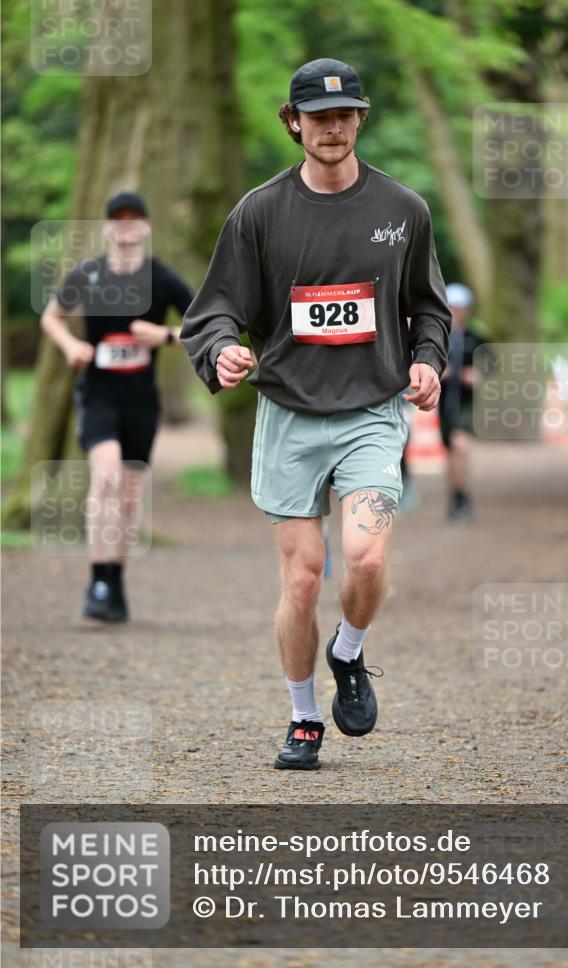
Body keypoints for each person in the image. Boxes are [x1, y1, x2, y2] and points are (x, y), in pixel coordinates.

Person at [181, 58, 451, 771]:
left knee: (366, 556)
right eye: (319, 117)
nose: (333, 128)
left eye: (345, 116)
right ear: (293, 123)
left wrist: (428, 359)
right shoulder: (259, 213)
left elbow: (429, 308)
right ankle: (303, 718)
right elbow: (213, 311)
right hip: (289, 414)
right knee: (302, 578)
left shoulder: (403, 210)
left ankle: (349, 651)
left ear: (359, 120)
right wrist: (221, 351)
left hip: (370, 411)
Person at [40, 192, 193, 622]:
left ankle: (116, 582)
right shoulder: (89, 274)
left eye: (134, 218)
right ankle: (97, 581)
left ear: (146, 226)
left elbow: (204, 326)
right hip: (99, 394)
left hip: (141, 401)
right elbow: (51, 316)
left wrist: (164, 336)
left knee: (128, 495)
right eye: (117, 218)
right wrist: (71, 345)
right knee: (105, 476)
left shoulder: (162, 278)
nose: (126, 225)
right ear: (107, 228)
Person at [437, 283, 488, 521]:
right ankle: (456, 498)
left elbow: (493, 362)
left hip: (466, 403)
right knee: (450, 453)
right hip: (443, 403)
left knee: (461, 445)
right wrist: (436, 372)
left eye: (460, 308)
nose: (456, 313)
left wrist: (479, 374)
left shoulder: (475, 337)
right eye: (452, 308)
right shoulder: (438, 337)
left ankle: (463, 495)